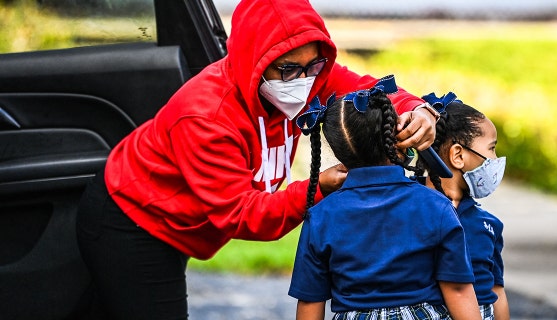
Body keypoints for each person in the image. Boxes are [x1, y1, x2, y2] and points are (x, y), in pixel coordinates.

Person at [74, 0, 440, 319]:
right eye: (288, 69)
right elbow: (242, 214)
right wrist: (319, 188)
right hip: (134, 220)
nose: (304, 81)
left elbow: (368, 89)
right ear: (255, 62)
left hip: (180, 224)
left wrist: (419, 111)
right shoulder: (206, 116)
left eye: (314, 66)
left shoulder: (310, 77)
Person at [288, 77, 482, 320]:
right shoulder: (436, 205)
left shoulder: (321, 216)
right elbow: (457, 289)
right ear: (396, 137)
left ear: (339, 151)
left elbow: (309, 302)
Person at [418, 92, 510, 320]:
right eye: (491, 148)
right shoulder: (410, 211)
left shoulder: (488, 225)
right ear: (458, 155)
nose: (495, 160)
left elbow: (496, 290)